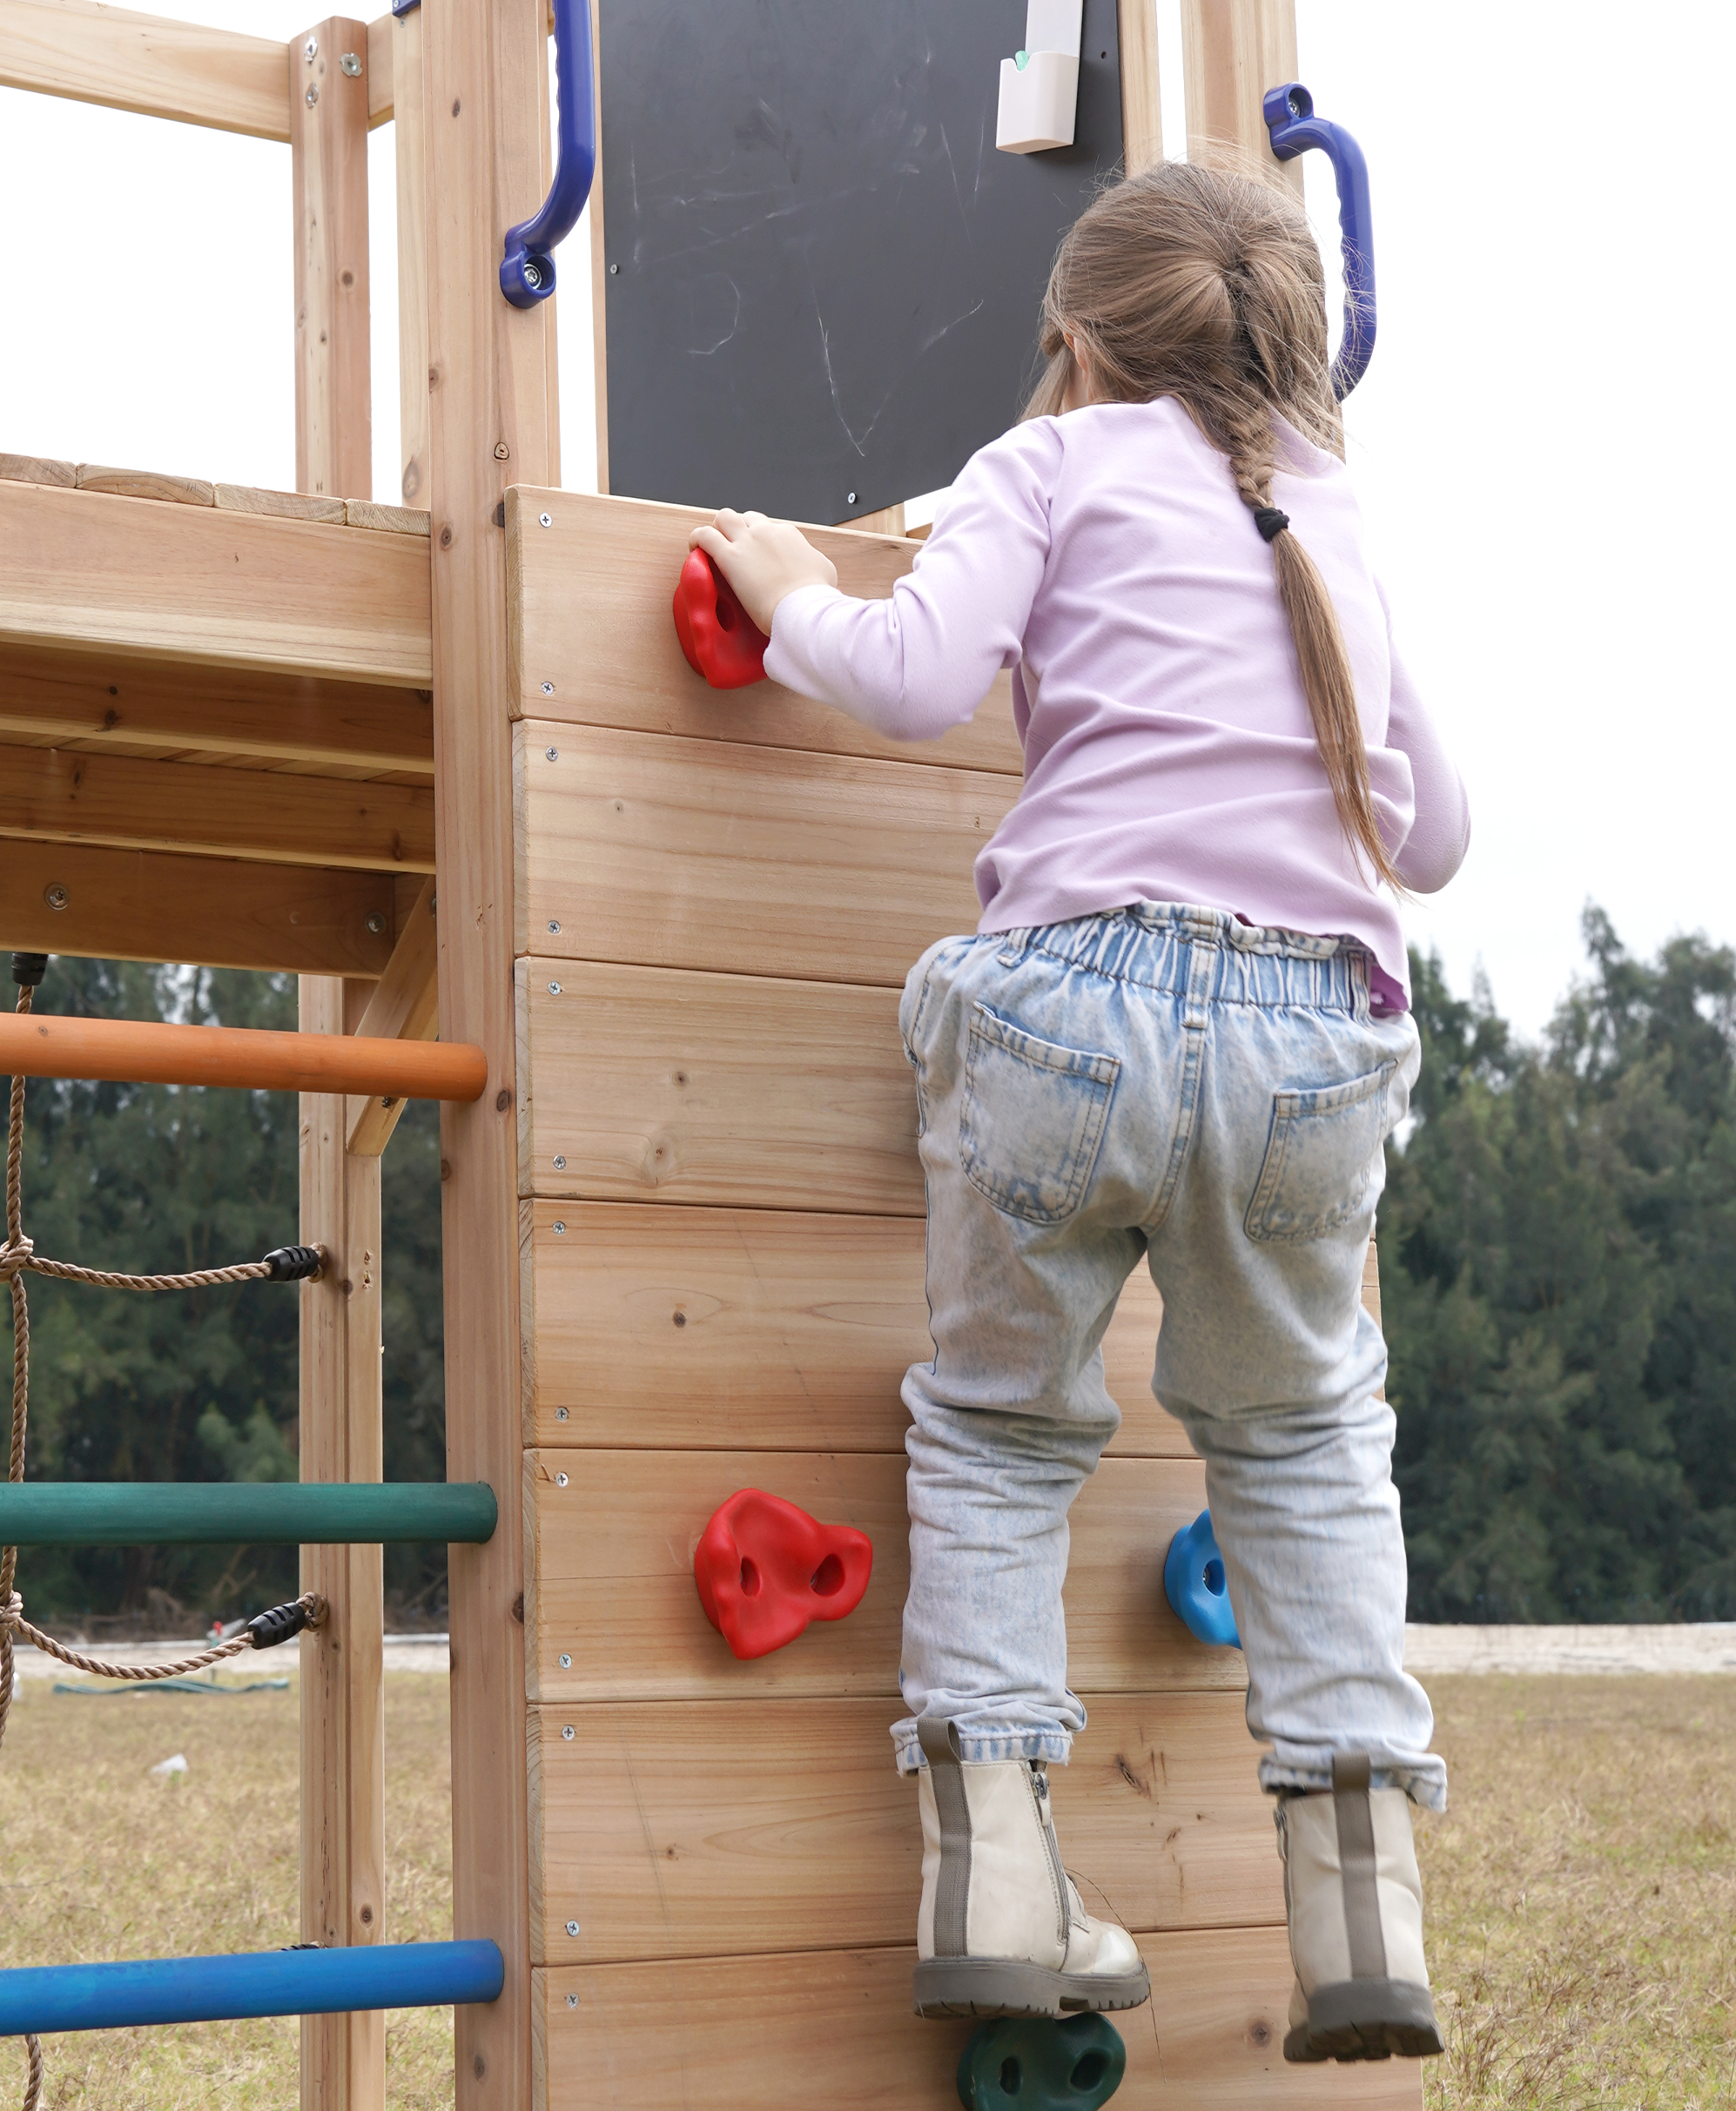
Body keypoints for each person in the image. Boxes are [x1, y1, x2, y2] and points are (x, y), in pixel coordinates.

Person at [692, 161, 1468, 2067]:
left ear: (1074, 341)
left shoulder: (1045, 467)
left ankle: (996, 1884)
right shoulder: (1331, 514)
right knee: (1299, 1442)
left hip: (1069, 1020)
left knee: (994, 1432)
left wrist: (790, 587)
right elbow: (1436, 840)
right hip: (1312, 1051)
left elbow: (914, 672)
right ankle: (1361, 1903)